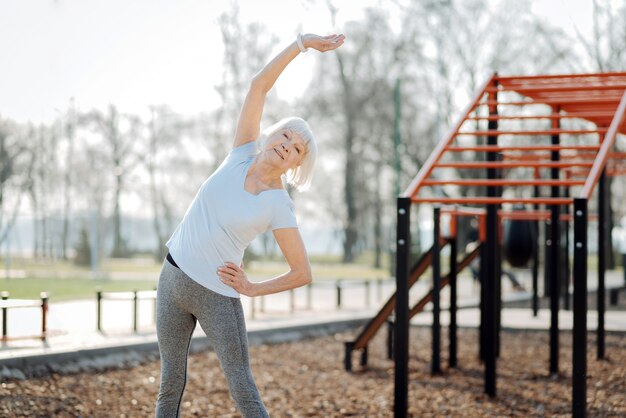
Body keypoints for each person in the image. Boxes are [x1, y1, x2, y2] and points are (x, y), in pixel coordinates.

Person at [155, 32, 346, 418]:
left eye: (295, 148)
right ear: (272, 133)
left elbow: (302, 272)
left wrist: (253, 289)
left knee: (243, 387)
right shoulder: (241, 151)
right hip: (172, 279)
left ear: (295, 165)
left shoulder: (279, 205)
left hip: (218, 296)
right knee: (169, 383)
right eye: (285, 134)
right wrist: (301, 44)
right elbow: (259, 84)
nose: (286, 144)